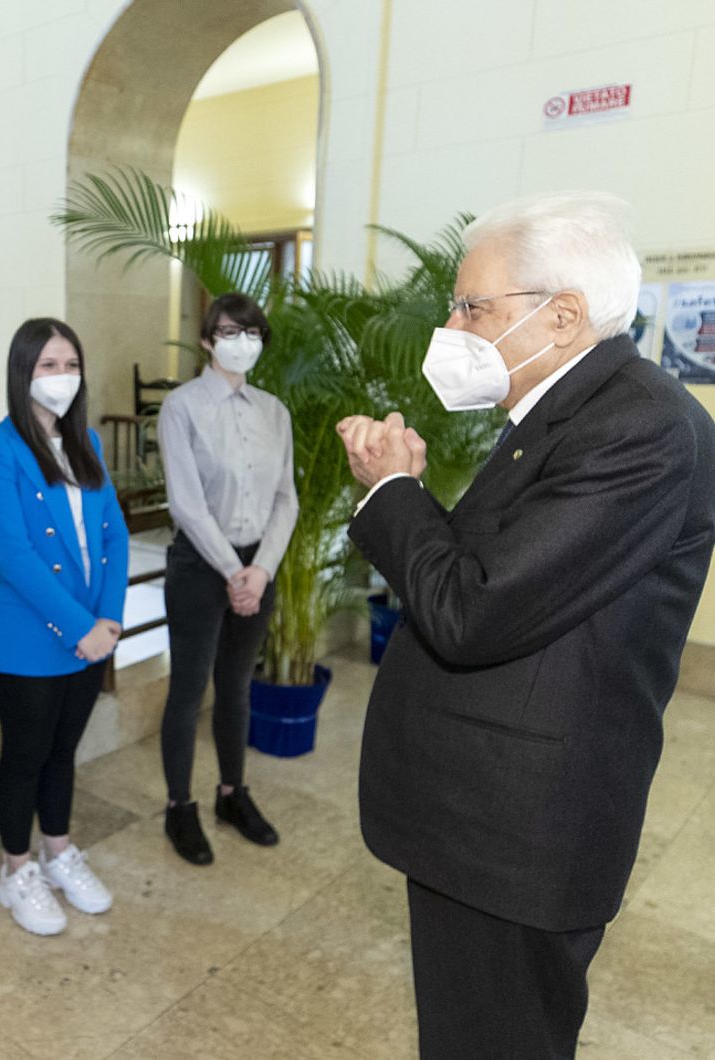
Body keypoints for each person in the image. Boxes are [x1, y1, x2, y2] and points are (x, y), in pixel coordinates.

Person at [336, 191, 715, 1060]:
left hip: (519, 842)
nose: (454, 323)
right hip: (485, 825)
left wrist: (393, 490)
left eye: (474, 306)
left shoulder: (639, 427)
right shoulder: (568, 415)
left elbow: (470, 611)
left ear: (564, 315)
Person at [0, 318, 129, 937]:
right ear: (21, 375)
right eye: (47, 366)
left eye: (69, 364)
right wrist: (80, 627)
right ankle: (16, 871)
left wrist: (109, 617)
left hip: (92, 631)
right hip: (30, 636)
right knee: (26, 756)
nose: (62, 377)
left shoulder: (86, 440)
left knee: (64, 753)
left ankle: (58, 853)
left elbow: (111, 534)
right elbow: (15, 553)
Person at [156, 293, 297, 865]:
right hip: (199, 565)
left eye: (252, 333)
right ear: (208, 341)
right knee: (189, 691)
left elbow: (287, 499)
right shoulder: (181, 407)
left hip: (256, 569)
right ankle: (179, 808)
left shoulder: (275, 411)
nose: (243, 342)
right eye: (229, 332)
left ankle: (231, 795)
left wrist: (259, 571)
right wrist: (234, 571)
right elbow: (187, 504)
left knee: (236, 685)